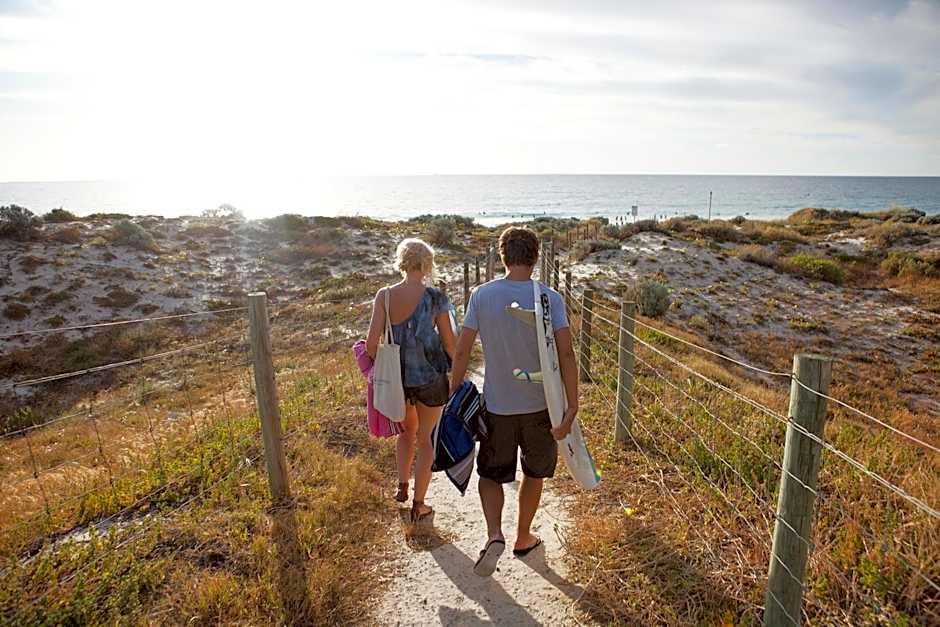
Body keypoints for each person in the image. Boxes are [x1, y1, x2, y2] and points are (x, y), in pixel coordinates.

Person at [450, 226, 579, 577]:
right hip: (542, 407)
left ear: (502, 256)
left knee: (491, 474)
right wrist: (572, 406)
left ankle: (494, 534)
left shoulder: (482, 295)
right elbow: (566, 354)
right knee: (534, 473)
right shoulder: (550, 298)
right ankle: (523, 536)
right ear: (536, 257)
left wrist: (453, 390)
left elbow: (462, 350)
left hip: (497, 407)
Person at [366, 238, 456, 523]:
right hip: (430, 377)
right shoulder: (436, 297)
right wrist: (457, 370)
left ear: (402, 262)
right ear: (427, 264)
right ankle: (420, 503)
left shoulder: (385, 296)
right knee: (427, 439)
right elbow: (450, 343)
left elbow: (371, 345)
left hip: (398, 380)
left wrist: (386, 365)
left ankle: (402, 486)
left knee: (406, 433)